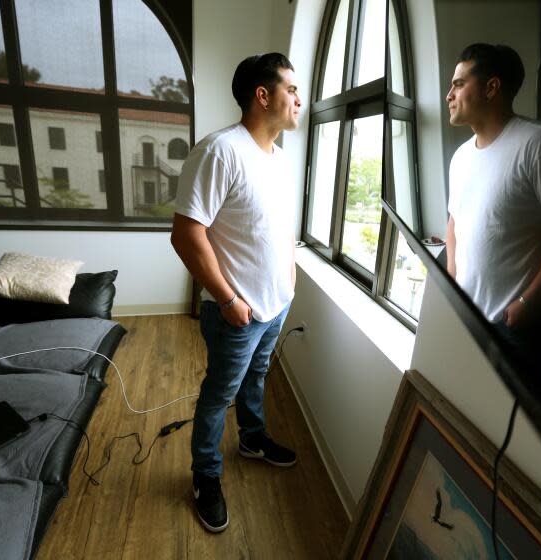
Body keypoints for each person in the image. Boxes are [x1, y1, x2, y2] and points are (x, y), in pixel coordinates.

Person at [170, 53, 301, 533]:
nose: (299, 100)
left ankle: (251, 437)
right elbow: (186, 234)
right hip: (236, 312)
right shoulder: (219, 151)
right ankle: (206, 476)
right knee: (217, 394)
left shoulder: (281, 158)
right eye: (291, 89)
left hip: (277, 301)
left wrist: (289, 277)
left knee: (258, 374)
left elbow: (279, 226)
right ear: (262, 95)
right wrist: (227, 300)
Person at [444, 43, 541, 382]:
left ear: (491, 87)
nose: (448, 95)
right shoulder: (460, 158)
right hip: (469, 318)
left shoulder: (538, 144)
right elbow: (455, 221)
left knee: (525, 420)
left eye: (458, 84)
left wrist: (528, 302)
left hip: (515, 326)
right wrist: (453, 285)